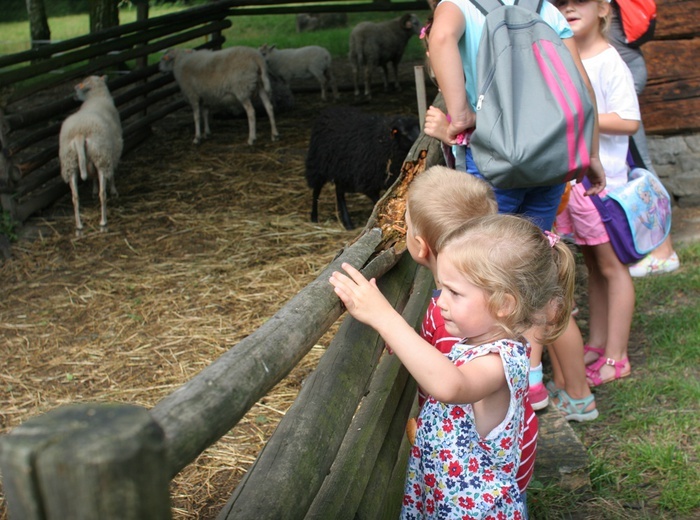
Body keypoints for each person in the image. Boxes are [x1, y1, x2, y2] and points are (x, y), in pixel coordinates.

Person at [421, 0, 607, 407]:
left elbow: (440, 38)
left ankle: (502, 390)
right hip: (550, 161)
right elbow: (581, 88)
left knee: (486, 274)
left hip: (496, 161)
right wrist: (589, 154)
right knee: (537, 268)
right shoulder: (543, 7)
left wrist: (459, 113)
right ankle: (536, 378)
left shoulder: (461, 5)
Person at [330, 213, 576, 518]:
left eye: (455, 293)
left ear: (504, 304)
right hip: (446, 499)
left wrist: (384, 317)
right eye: (440, 287)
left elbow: (450, 385)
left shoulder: (499, 360)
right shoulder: (477, 342)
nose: (440, 301)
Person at [403, 166, 538, 500]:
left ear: (420, 246)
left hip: (483, 471)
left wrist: (384, 320)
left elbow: (451, 382)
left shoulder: (465, 325)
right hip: (480, 463)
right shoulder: (479, 313)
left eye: (403, 226)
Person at [553, 0, 638, 386]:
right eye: (560, 2)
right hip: (579, 186)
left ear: (604, 9)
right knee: (593, 267)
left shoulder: (610, 61)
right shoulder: (569, 58)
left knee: (612, 268)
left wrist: (578, 113)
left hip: (606, 186)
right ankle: (599, 342)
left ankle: (617, 357)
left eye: (580, 0)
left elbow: (629, 121)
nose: (569, 7)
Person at [607, 0, 680, 277]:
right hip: (622, 79)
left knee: (642, 164)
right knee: (635, 165)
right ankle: (646, 246)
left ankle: (665, 252)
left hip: (623, 82)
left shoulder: (594, 7)